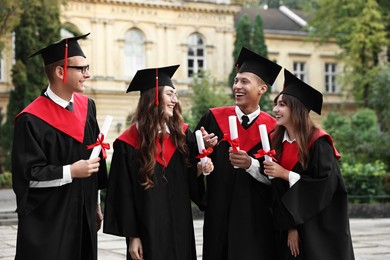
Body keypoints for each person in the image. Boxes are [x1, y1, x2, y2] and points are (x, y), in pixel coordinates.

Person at [11, 33, 108, 260]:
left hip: (83, 216)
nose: (88, 74)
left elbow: (93, 159)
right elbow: (28, 176)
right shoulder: (31, 119)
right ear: (60, 72)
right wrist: (71, 171)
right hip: (50, 222)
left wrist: (95, 203)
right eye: (82, 69)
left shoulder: (88, 107)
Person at [103, 65, 213, 260]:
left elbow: (188, 181)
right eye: (170, 94)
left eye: (175, 95)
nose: (175, 100)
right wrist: (133, 236)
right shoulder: (127, 144)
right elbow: (124, 195)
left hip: (181, 228)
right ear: (154, 97)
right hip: (148, 233)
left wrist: (199, 168)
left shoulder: (181, 135)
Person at [196, 47, 282, 259]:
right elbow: (189, 164)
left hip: (257, 219)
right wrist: (201, 154)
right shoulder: (213, 119)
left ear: (262, 89)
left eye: (245, 82)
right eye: (236, 81)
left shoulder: (274, 129)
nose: (237, 86)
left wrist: (251, 164)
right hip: (219, 216)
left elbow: (280, 179)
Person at [263, 69, 355, 260]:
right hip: (288, 224)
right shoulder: (276, 143)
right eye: (276, 105)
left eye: (281, 105)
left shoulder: (319, 143)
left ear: (296, 108)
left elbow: (324, 187)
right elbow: (277, 190)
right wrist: (291, 227)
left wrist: (285, 174)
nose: (275, 110)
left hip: (319, 228)